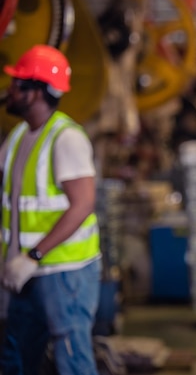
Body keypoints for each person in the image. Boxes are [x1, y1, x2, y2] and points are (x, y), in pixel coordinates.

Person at [0, 44, 101, 375]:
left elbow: (83, 203)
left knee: (71, 359)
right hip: (23, 274)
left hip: (62, 273)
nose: (9, 90)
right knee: (17, 357)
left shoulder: (66, 139)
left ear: (37, 91)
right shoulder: (18, 136)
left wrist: (34, 257)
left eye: (17, 84)